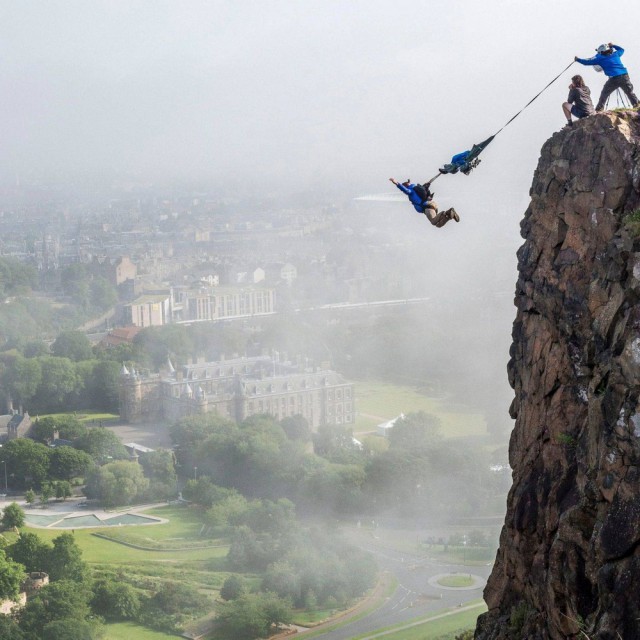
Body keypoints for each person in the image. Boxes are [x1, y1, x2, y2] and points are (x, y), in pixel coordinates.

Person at [575, 43, 639, 111]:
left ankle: (599, 110)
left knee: (604, 94)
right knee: (629, 92)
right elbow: (622, 50)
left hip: (614, 79)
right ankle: (637, 106)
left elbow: (586, 62)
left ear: (601, 52)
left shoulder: (600, 58)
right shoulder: (615, 54)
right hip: (624, 76)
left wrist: (578, 59)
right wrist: (613, 45)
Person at [389, 178, 459, 227]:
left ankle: (447, 212)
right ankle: (449, 215)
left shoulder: (411, 191)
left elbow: (405, 190)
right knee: (438, 224)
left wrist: (396, 183)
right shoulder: (418, 188)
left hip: (427, 207)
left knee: (433, 222)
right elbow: (425, 190)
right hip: (430, 205)